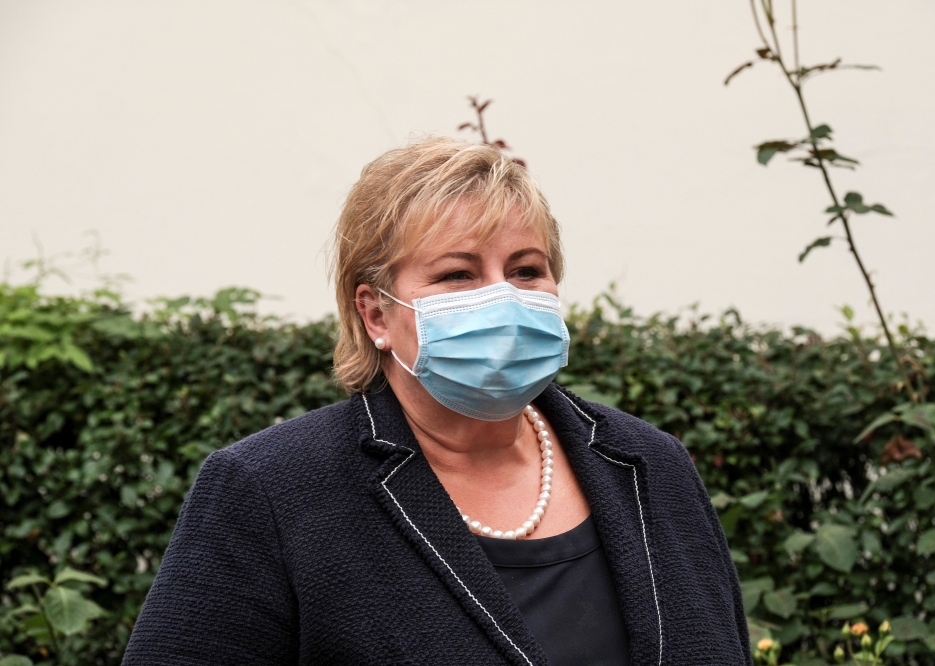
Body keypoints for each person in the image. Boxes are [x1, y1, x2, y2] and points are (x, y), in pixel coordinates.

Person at [122, 137, 752, 665]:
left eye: (527, 269)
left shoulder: (650, 466)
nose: (504, 299)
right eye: (458, 274)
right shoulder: (271, 491)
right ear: (375, 313)